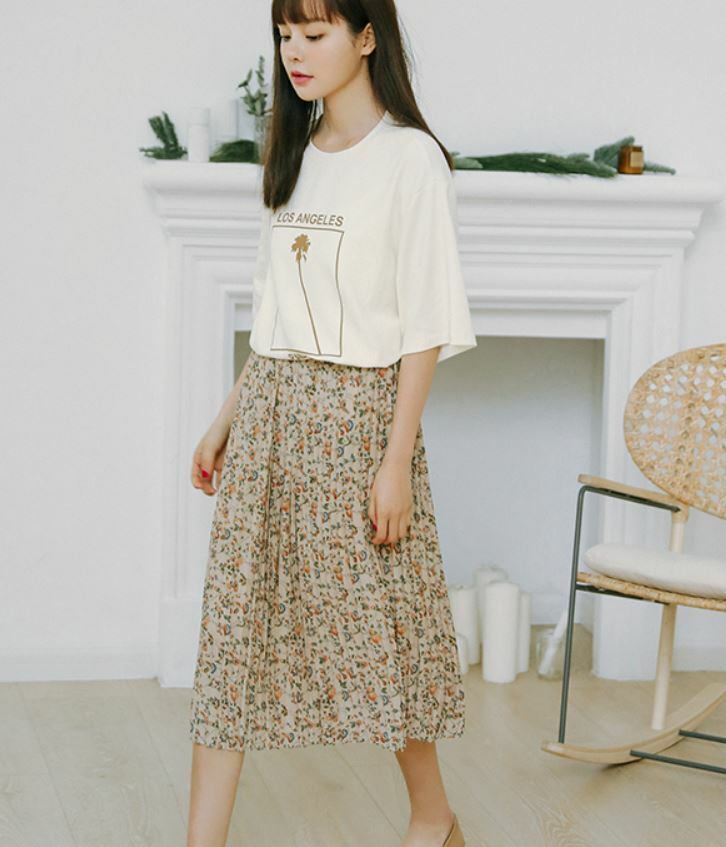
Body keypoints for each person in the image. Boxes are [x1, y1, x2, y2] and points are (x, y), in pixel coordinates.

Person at [186, 2, 476, 845]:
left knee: (377, 632)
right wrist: (225, 419)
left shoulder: (411, 160)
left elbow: (425, 322)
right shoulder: (293, 153)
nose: (295, 52)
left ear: (367, 36)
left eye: (314, 34)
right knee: (232, 637)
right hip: (271, 417)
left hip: (358, 426)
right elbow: (276, 315)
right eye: (285, 35)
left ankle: (432, 815)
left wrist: (395, 460)